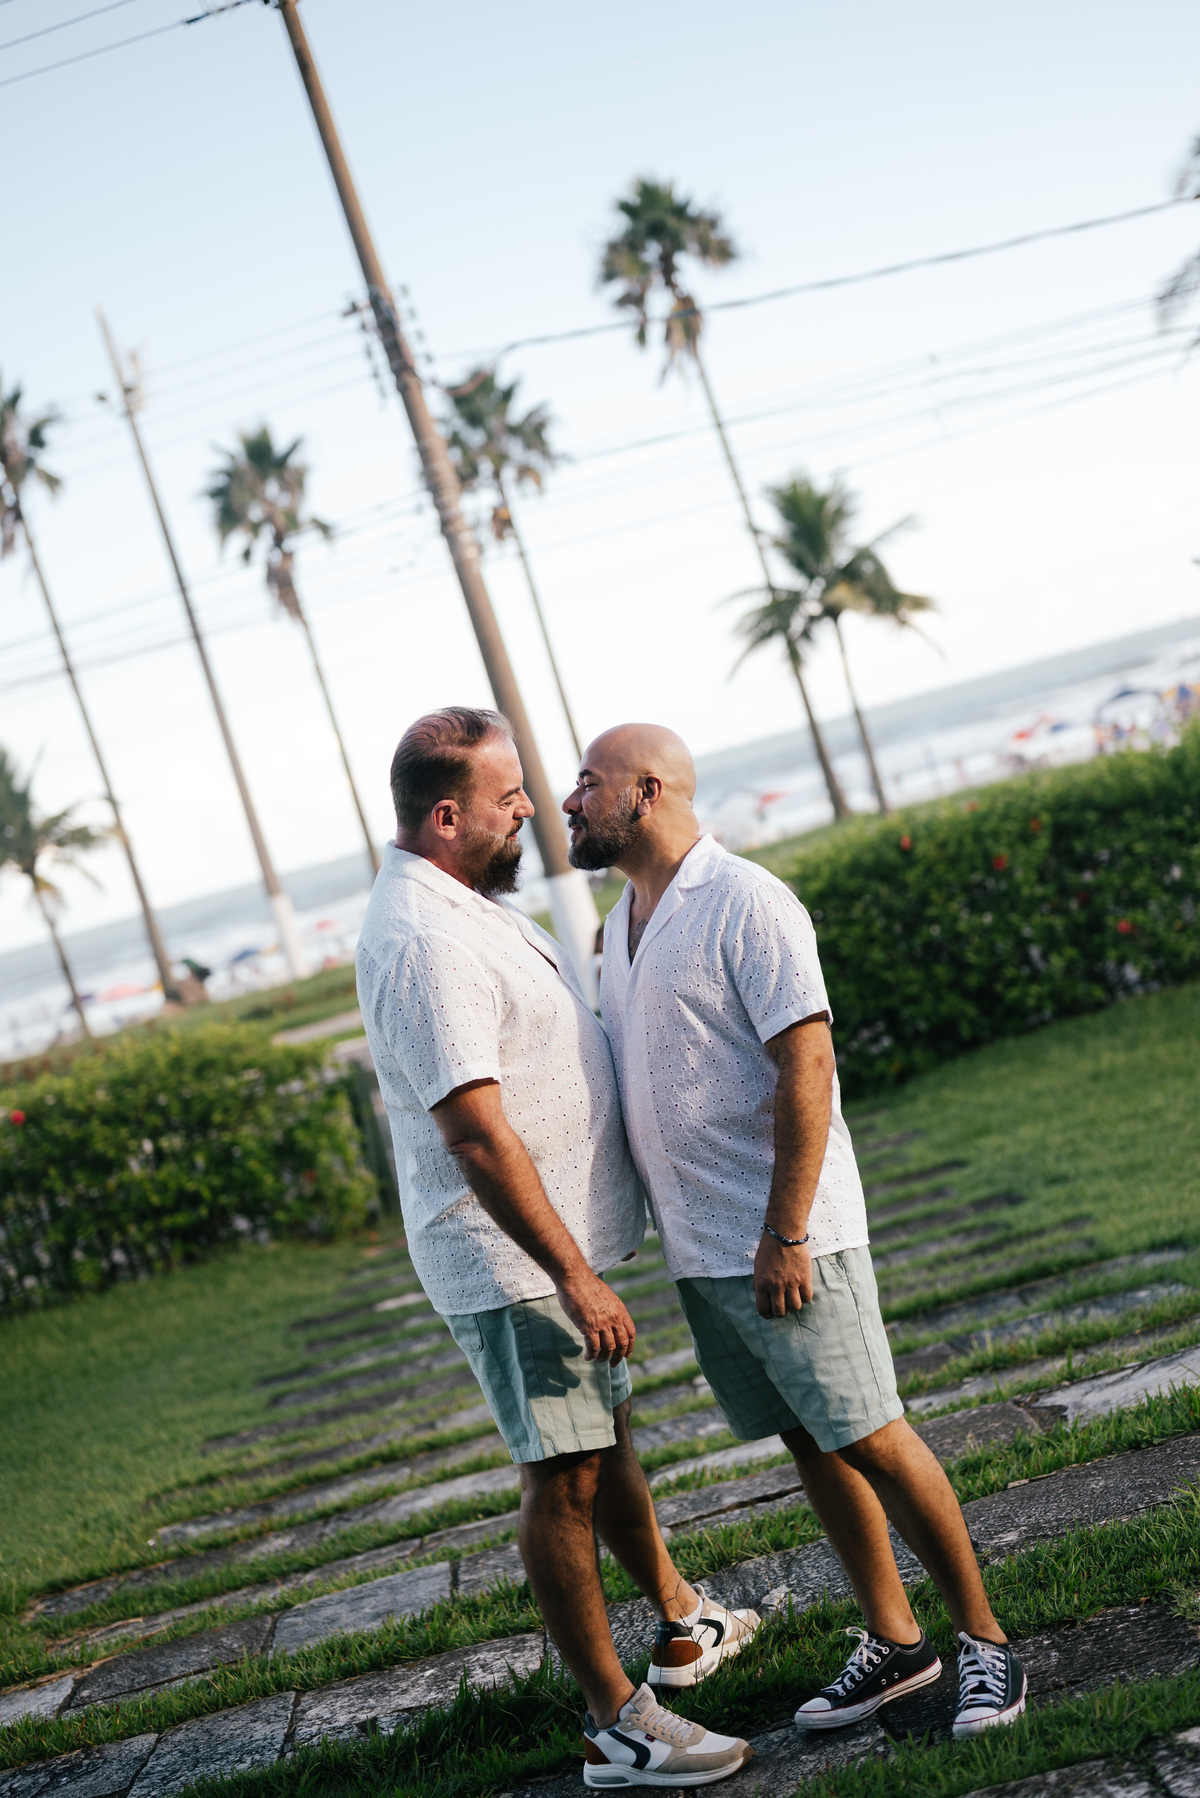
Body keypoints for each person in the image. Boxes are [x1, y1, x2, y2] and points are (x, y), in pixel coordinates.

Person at [564, 723, 1027, 1741]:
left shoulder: (746, 900)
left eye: (588, 782)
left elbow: (807, 1063)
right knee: (812, 1440)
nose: (569, 799)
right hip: (704, 1251)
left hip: (786, 1239)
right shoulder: (619, 927)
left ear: (648, 791)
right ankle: (897, 1643)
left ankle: (988, 1644)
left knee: (874, 1434)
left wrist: (787, 1231)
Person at [357, 707, 758, 1789]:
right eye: (508, 799)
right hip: (516, 1263)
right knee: (563, 1475)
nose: (532, 809)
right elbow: (474, 1133)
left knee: (601, 1439)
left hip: (550, 1255)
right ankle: (618, 1723)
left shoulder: (462, 906)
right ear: (449, 817)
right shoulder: (425, 940)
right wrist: (572, 1276)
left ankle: (680, 1620)